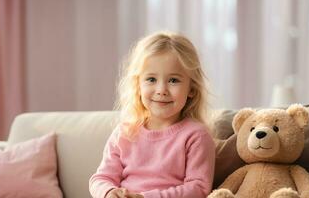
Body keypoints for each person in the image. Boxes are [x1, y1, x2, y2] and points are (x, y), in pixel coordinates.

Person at [89, 31, 215, 198]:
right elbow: (101, 178)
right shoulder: (125, 132)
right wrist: (109, 192)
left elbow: (198, 188)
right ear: (138, 85)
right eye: (151, 80)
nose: (161, 90)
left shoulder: (196, 135)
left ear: (191, 89)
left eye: (173, 80)